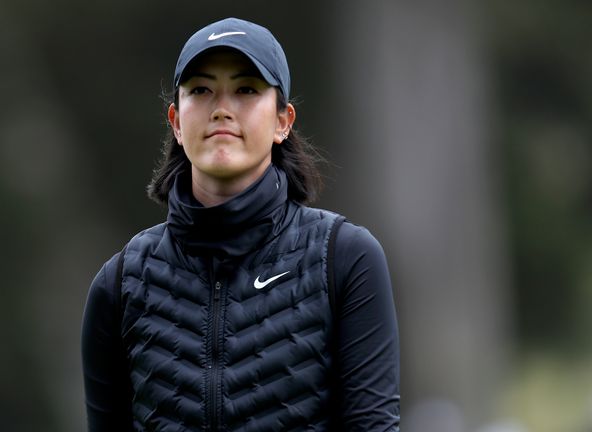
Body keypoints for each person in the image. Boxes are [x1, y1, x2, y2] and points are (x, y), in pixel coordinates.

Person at [81, 17, 400, 431]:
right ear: (176, 122)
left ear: (283, 121)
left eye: (246, 89)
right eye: (201, 90)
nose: (221, 109)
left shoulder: (345, 259)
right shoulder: (120, 284)